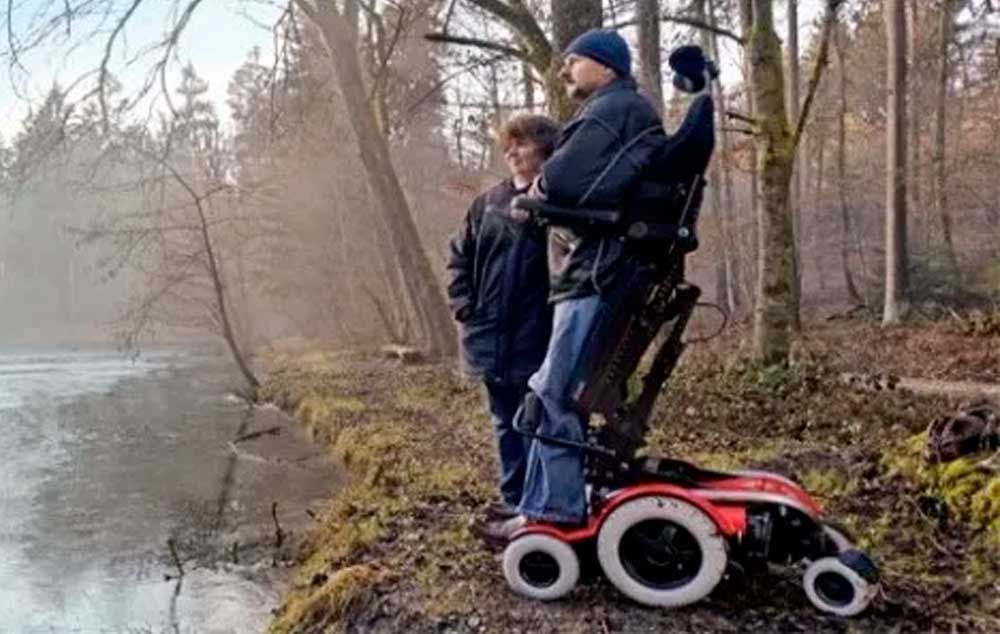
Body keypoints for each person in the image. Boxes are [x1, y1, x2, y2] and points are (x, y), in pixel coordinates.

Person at [481, 28, 672, 541]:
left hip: (600, 273)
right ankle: (541, 505)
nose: (565, 70)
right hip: (599, 269)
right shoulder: (616, 110)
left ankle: (554, 513)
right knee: (551, 393)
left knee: (554, 393)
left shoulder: (613, 111)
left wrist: (537, 196)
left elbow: (563, 179)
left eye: (575, 61)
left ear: (606, 66)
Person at [447, 114, 561, 519]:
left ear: (545, 147)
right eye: (508, 146)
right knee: (503, 422)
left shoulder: (558, 199)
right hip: (488, 334)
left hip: (538, 335)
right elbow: (459, 256)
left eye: (522, 144)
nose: (512, 152)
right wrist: (463, 304)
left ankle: (537, 507)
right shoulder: (487, 203)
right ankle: (514, 499)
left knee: (536, 422)